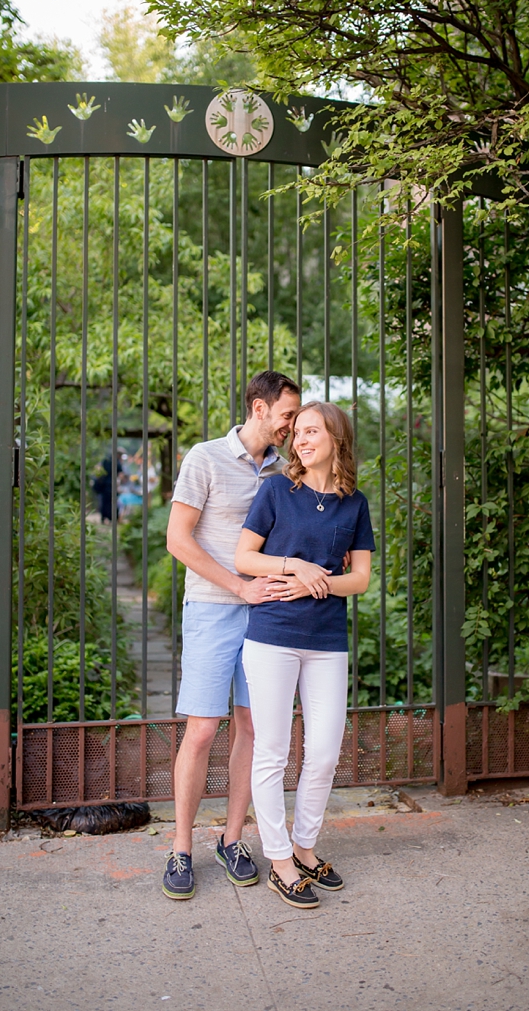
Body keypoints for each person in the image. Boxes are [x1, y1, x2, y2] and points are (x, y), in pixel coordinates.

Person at [162, 370, 302, 900]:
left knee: (254, 727)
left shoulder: (287, 471)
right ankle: (179, 848)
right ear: (259, 408)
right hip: (213, 607)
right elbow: (178, 540)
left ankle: (233, 839)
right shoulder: (204, 457)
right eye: (287, 414)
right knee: (201, 730)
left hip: (269, 616)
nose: (292, 425)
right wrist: (239, 587)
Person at [234, 401, 374, 910]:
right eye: (299, 432)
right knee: (272, 751)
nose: (301, 438)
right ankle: (279, 860)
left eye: (313, 431)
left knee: (326, 751)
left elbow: (360, 578)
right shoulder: (275, 489)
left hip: (326, 641)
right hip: (271, 634)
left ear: (337, 438)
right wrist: (296, 566)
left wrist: (321, 582)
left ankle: (305, 848)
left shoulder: (354, 503)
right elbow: (243, 557)